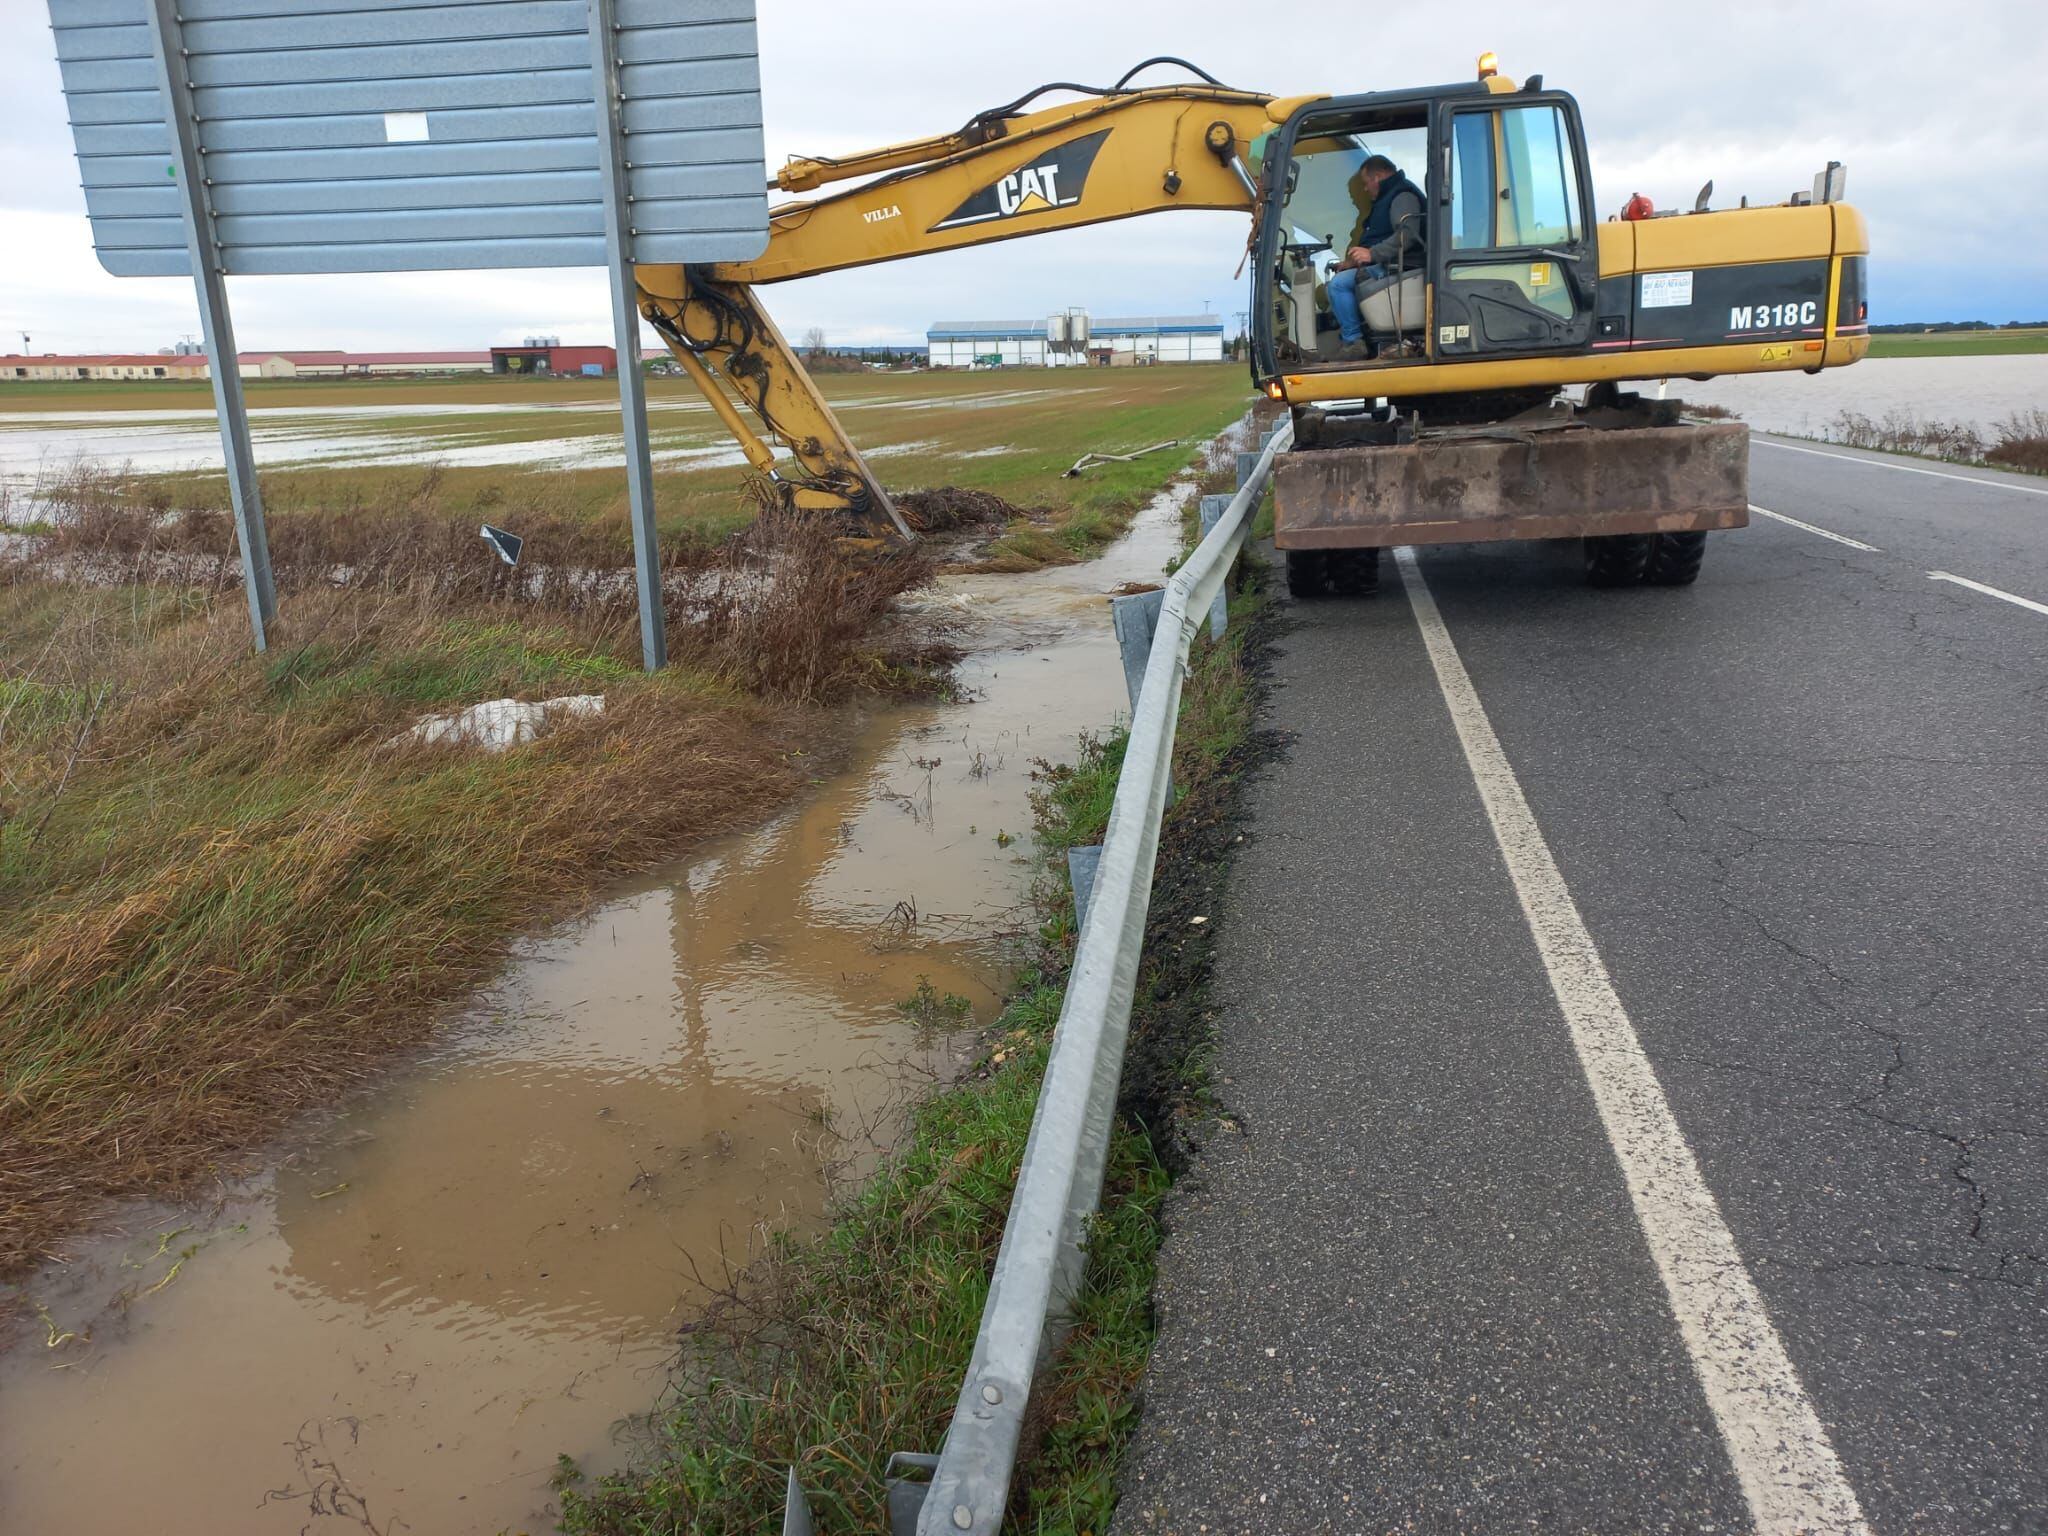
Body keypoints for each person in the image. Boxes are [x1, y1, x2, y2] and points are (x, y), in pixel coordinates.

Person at [1326, 155, 1426, 360]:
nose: (1364, 189)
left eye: (1365, 184)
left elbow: (1407, 236)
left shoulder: (1402, 196)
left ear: (1378, 177)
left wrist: (1372, 254)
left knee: (1338, 286)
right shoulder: (1389, 196)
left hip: (1401, 265)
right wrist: (1351, 263)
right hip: (1388, 262)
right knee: (1344, 279)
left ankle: (1353, 342)